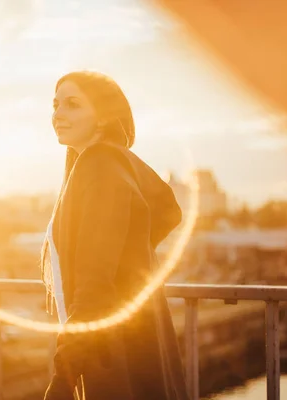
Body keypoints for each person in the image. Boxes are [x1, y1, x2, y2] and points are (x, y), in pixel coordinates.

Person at [40, 70, 190, 400]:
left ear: (102, 117)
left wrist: (63, 376)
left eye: (73, 104)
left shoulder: (100, 167)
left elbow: (94, 284)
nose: (58, 114)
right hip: (127, 338)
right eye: (56, 104)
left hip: (110, 352)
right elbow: (162, 217)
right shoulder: (112, 164)